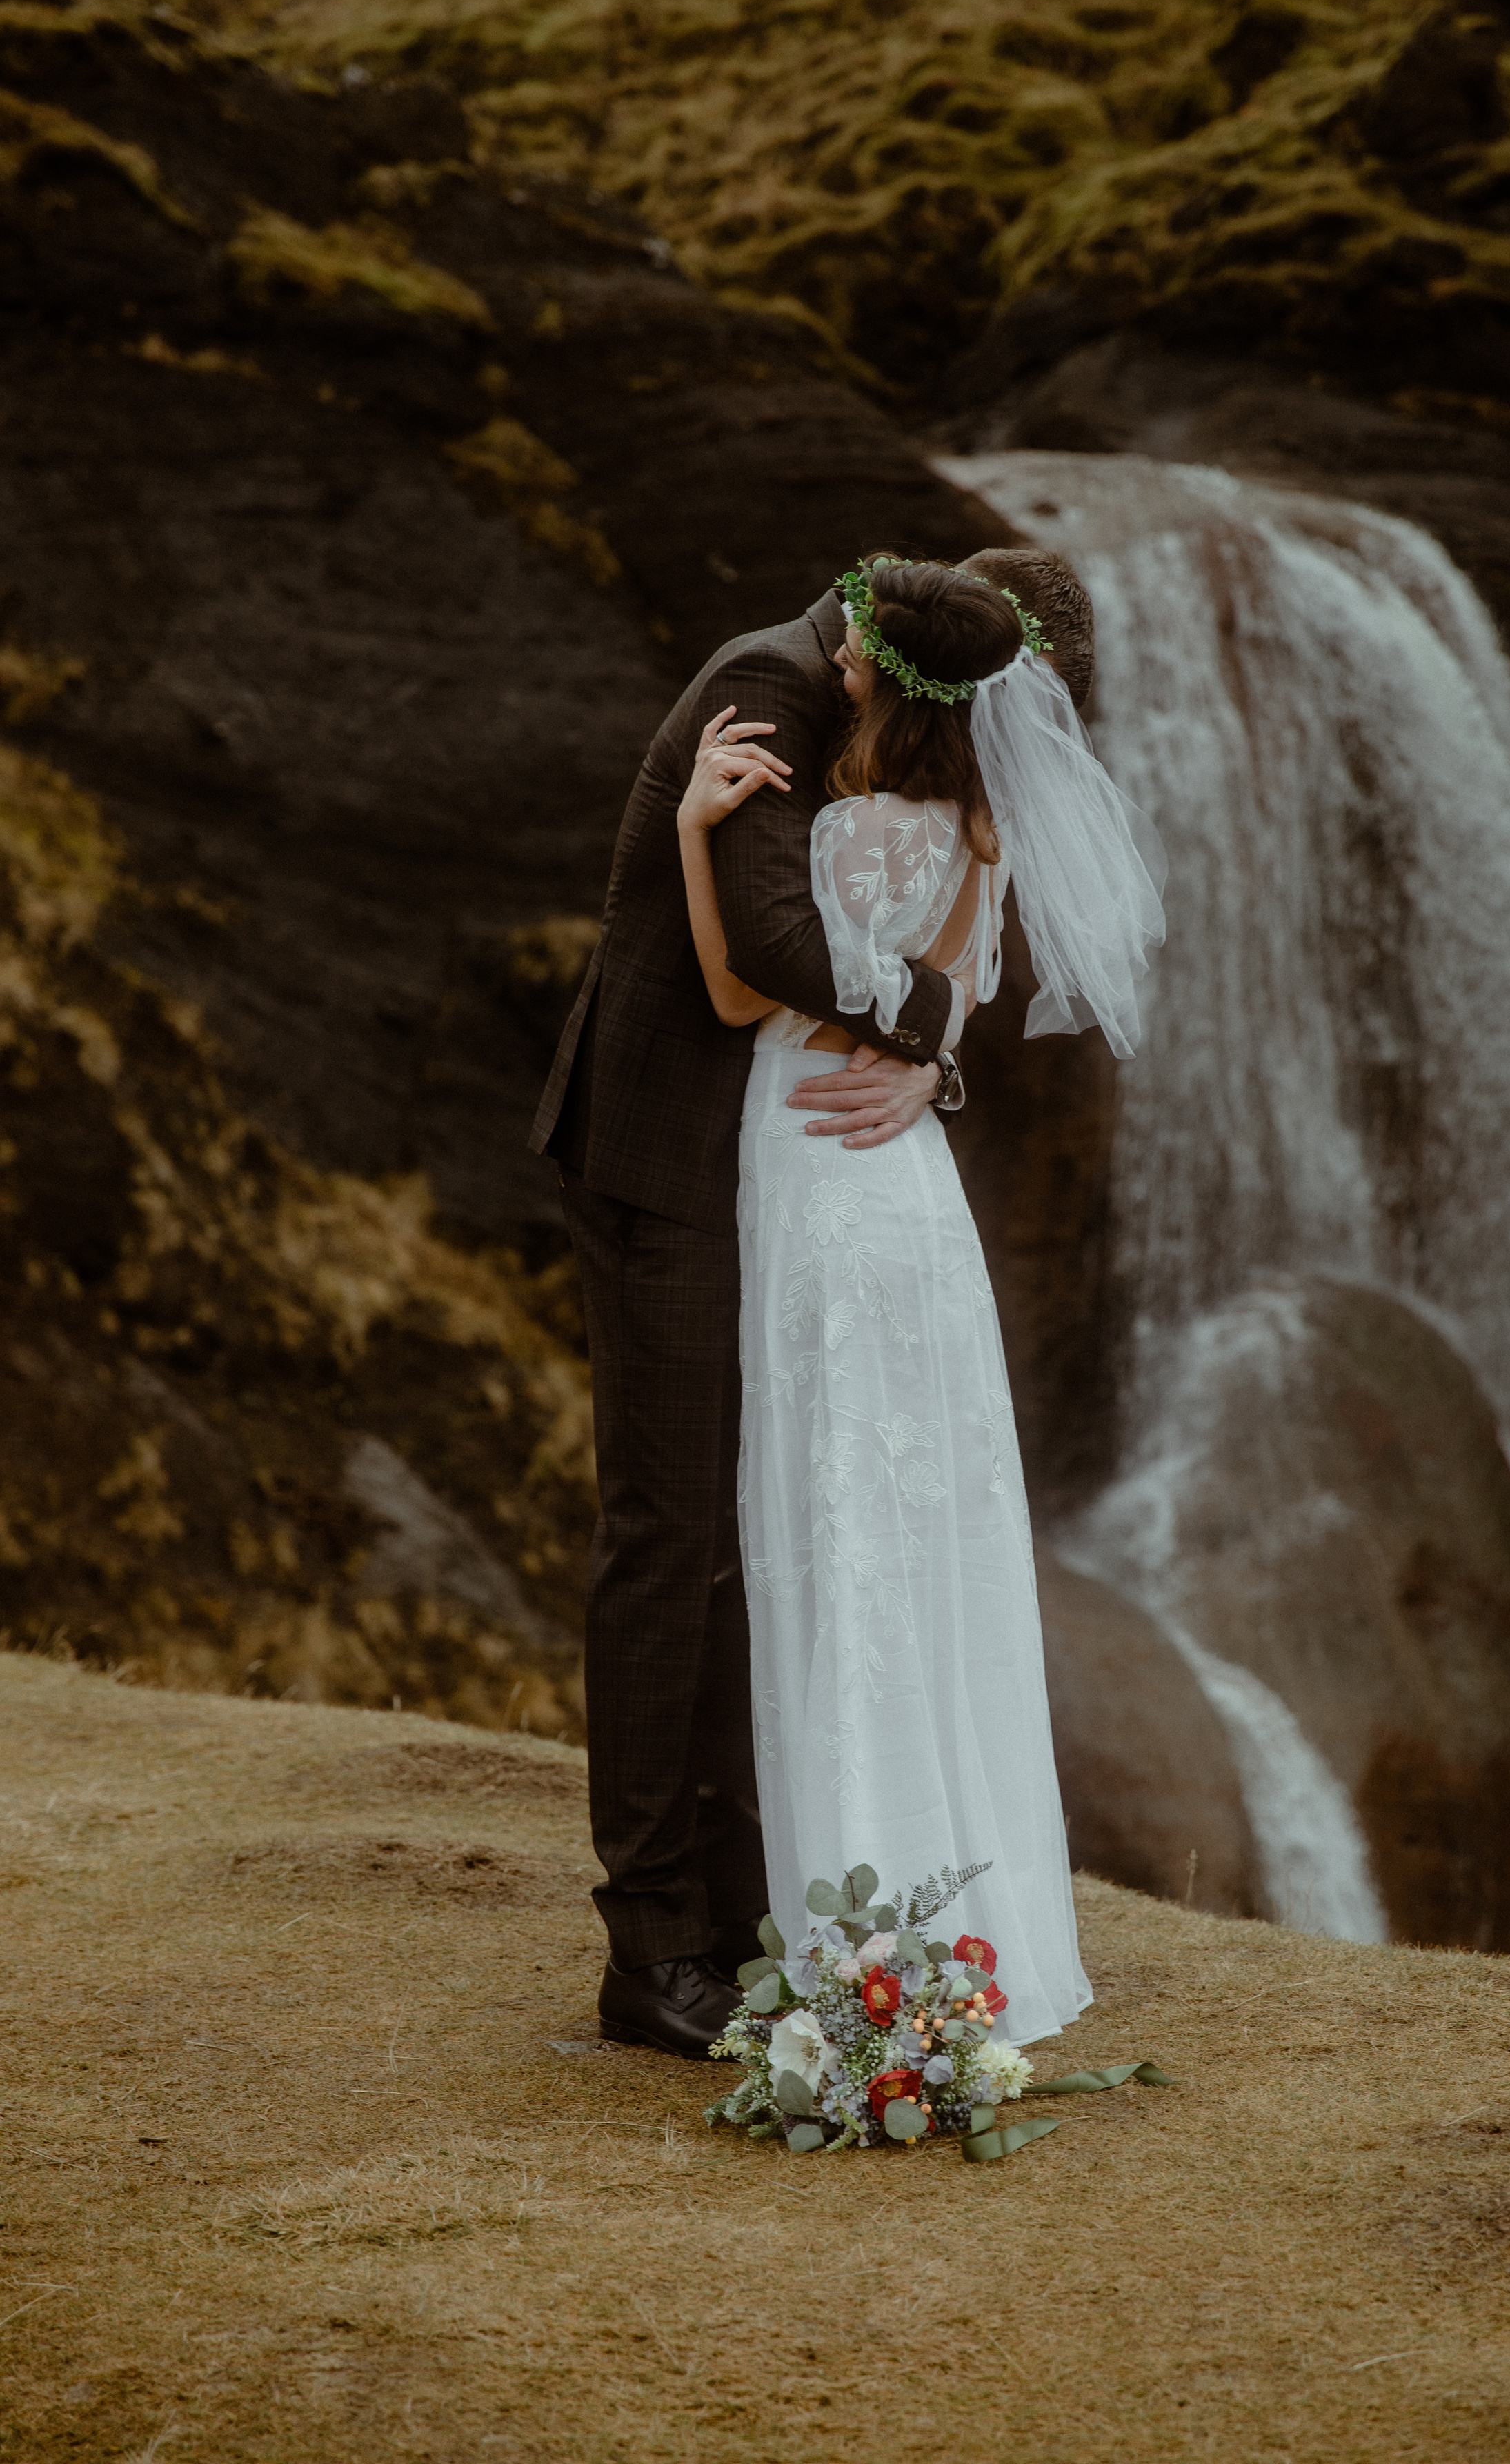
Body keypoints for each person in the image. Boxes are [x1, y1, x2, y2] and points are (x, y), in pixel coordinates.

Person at [533, 551, 1053, 2057]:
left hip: (782, 1174)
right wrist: (937, 1031)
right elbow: (762, 954)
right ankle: (649, 1945)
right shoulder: (767, 688)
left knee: (755, 1537)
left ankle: (743, 1890)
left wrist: (930, 1050)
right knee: (670, 1538)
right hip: (670, 1169)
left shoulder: (866, 715)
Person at [673, 554, 1164, 2045]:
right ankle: (965, 1921)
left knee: (823, 1525)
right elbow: (942, 1005)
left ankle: (857, 1925)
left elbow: (735, 994)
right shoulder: (982, 831)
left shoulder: (833, 832)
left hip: (812, 1172)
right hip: (914, 1192)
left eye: (857, 651)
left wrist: (702, 836)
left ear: (888, 677)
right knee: (924, 1525)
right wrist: (927, 1058)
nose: (835, 665)